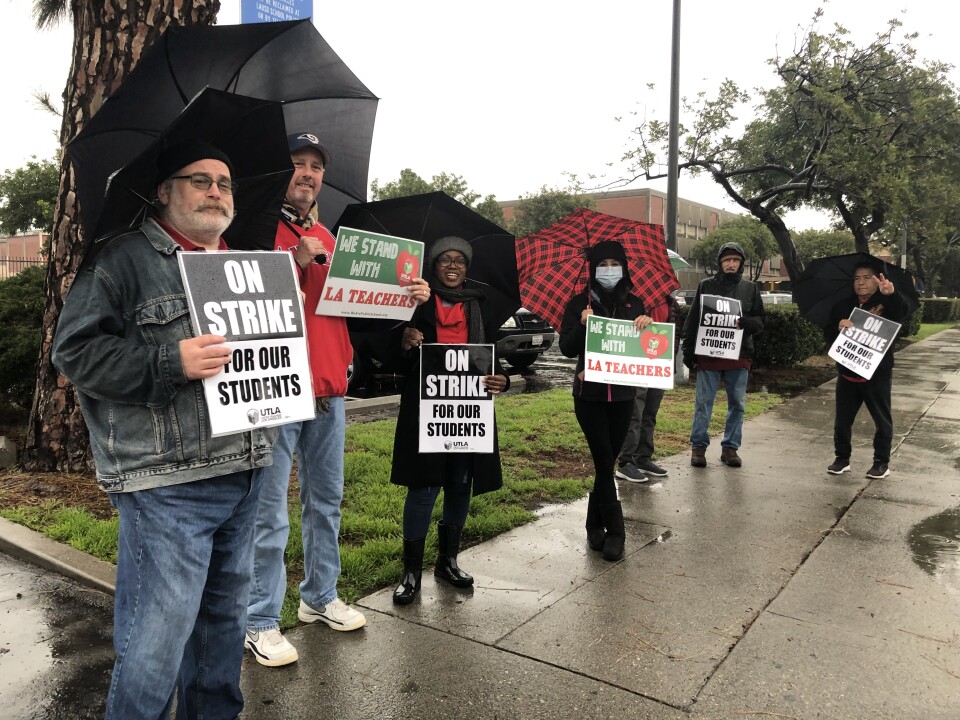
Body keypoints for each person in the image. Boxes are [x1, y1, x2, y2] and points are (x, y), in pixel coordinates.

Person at [52, 141, 277, 719]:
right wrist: (168, 361)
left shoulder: (245, 265)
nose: (215, 192)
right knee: (155, 645)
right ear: (163, 192)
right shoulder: (123, 259)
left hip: (246, 468)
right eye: (199, 180)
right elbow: (74, 352)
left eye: (224, 183)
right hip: (167, 483)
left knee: (222, 636)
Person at [244, 131, 431, 665]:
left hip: (328, 392)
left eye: (315, 167)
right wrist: (294, 262)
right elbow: (245, 305)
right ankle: (259, 619)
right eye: (298, 164)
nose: (307, 174)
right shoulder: (254, 231)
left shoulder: (330, 235)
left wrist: (406, 301)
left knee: (325, 503)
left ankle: (319, 597)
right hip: (276, 391)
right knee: (269, 512)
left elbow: (359, 314)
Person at [391, 236, 510, 605]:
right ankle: (411, 572)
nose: (453, 266)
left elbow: (490, 357)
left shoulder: (480, 305)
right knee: (424, 487)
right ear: (434, 266)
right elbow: (391, 358)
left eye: (460, 260)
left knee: (460, 481)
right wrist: (404, 341)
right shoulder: (415, 301)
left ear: (467, 267)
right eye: (445, 260)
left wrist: (501, 379)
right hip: (425, 407)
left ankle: (448, 561)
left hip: (469, 408)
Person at [559, 241, 652, 561]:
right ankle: (617, 530)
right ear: (593, 268)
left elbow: (645, 349)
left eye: (615, 263)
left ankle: (592, 523)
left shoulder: (635, 304)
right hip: (589, 396)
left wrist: (647, 326)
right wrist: (583, 325)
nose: (609, 269)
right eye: (603, 263)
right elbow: (567, 349)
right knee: (602, 460)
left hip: (623, 396)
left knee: (606, 463)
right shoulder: (578, 303)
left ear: (624, 267)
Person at [681, 242, 765, 468]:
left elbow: (760, 322)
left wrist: (748, 324)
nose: (731, 264)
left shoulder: (750, 288)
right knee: (703, 403)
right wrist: (688, 352)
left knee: (737, 403)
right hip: (708, 354)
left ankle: (730, 448)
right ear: (720, 262)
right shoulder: (705, 286)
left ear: (741, 264)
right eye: (727, 260)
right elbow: (693, 320)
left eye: (735, 260)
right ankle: (698, 447)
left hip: (739, 355)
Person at [825, 260, 908, 479]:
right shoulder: (843, 305)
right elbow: (828, 336)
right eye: (856, 278)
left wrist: (891, 295)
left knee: (882, 420)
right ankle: (841, 458)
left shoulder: (887, 302)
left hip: (876, 373)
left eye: (866, 277)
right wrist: (838, 326)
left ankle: (881, 462)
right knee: (842, 420)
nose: (860, 283)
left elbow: (902, 318)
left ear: (876, 279)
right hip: (847, 372)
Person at [616, 292, 681, 482]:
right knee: (634, 413)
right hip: (637, 363)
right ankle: (625, 462)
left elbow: (675, 334)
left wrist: (670, 364)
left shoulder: (671, 304)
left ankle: (643, 458)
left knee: (650, 413)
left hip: (659, 364)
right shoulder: (632, 301)